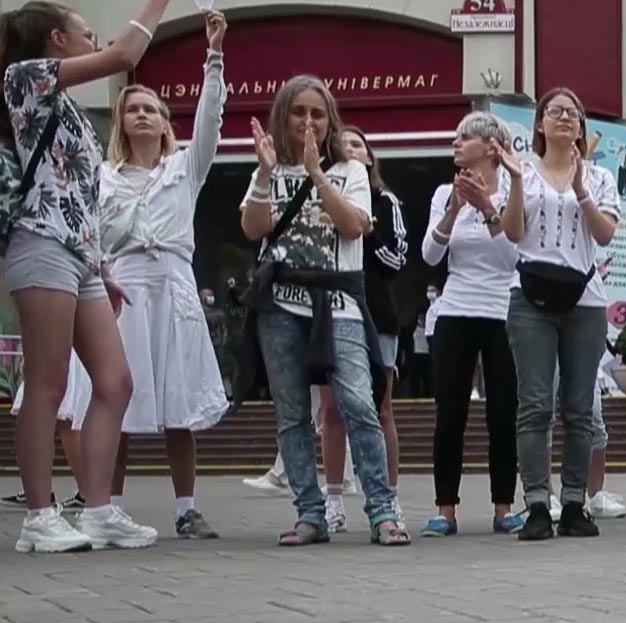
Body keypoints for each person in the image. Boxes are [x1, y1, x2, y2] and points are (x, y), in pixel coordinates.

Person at [48, 10, 227, 541]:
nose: (143, 115)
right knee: (115, 396)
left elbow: (211, 121)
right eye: (134, 109)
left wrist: (213, 57)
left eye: (153, 109)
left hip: (171, 282)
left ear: (167, 122)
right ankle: (110, 504)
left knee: (179, 405)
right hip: (121, 286)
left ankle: (187, 507)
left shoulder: (186, 167)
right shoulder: (101, 176)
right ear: (121, 121)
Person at [5, 0, 175, 554]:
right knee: (49, 383)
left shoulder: (72, 109)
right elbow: (126, 53)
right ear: (56, 39)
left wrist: (102, 265)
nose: (94, 39)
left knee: (115, 381)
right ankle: (38, 514)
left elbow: (79, 195)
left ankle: (100, 510)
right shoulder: (23, 76)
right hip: (39, 242)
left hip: (80, 255)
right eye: (85, 32)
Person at [241, 75, 404, 545]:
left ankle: (381, 511)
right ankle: (309, 513)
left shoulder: (350, 170)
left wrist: (317, 173)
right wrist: (267, 173)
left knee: (358, 403)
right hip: (282, 304)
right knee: (292, 413)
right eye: (298, 112)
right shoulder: (266, 171)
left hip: (340, 301)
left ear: (329, 119)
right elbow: (254, 229)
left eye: (317, 113)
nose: (308, 121)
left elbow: (355, 226)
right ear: (283, 116)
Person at [499, 88, 620, 542]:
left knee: (579, 405)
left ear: (582, 127)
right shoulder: (522, 172)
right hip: (529, 297)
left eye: (574, 113)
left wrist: (582, 191)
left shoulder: (601, 176)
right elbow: (512, 233)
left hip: (585, 299)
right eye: (556, 111)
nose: (565, 118)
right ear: (540, 124)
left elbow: (605, 235)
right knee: (534, 403)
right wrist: (511, 182)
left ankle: (574, 502)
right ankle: (535, 503)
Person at [419, 111, 522, 537]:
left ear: (492, 148)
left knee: (502, 412)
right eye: (456, 137)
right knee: (450, 414)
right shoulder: (446, 192)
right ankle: (446, 510)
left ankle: (504, 508)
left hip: (502, 312)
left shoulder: (514, 192)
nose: (456, 143)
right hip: (455, 312)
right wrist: (454, 211)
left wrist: (486, 207)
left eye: (466, 137)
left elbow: (513, 259)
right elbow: (429, 256)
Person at [315, 127, 407, 532]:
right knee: (332, 411)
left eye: (358, 145)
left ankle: (388, 495)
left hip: (377, 315)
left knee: (380, 409)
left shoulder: (386, 202)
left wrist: (362, 227)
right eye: (343, 145)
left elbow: (396, 260)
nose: (350, 150)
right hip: (330, 311)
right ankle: (333, 499)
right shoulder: (320, 195)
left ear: (369, 158)